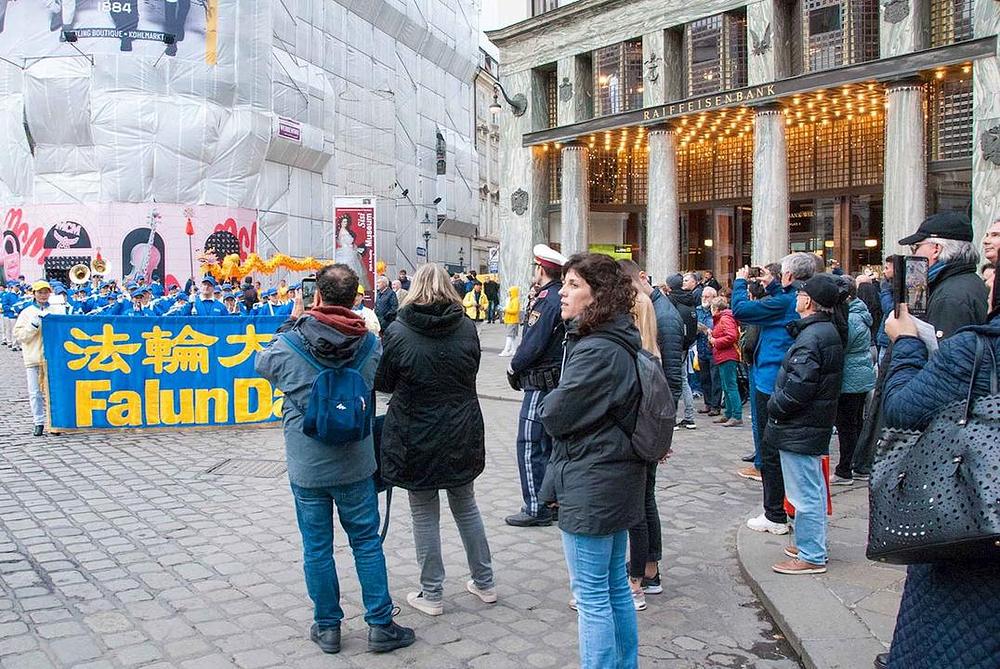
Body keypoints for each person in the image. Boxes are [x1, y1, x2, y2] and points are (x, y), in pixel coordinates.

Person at [254, 264, 415, 655]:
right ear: (356, 299)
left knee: (317, 548)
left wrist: (293, 323)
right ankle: (380, 624)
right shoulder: (370, 344)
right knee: (365, 542)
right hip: (356, 463)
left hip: (307, 465)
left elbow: (261, 365)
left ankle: (328, 627)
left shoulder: (290, 343)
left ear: (317, 297)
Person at [875, 278, 1000, 669]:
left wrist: (907, 344)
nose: (987, 279)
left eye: (994, 268)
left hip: (976, 539)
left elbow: (900, 410)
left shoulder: (977, 348)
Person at [537, 253, 643, 669]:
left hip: (594, 477)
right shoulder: (613, 337)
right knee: (614, 585)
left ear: (598, 295)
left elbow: (555, 414)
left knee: (593, 595)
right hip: (612, 473)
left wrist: (549, 401)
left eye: (574, 285)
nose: (563, 292)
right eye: (564, 283)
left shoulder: (597, 348)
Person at [375, 264, 495, 617]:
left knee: (424, 511)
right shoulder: (467, 327)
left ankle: (433, 593)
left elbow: (384, 381)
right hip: (461, 426)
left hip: (416, 431)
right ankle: (484, 581)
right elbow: (471, 370)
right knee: (466, 504)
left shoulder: (398, 331)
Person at [732, 253, 816, 535]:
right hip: (786, 376)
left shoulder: (786, 302)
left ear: (790, 276)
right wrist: (774, 285)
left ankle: (775, 513)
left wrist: (740, 283)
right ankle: (785, 511)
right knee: (788, 452)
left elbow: (741, 311)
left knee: (771, 450)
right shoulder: (802, 297)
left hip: (771, 379)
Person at [768, 274, 846, 574]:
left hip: (801, 425)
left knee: (805, 491)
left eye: (800, 294)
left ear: (808, 301)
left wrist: (775, 405)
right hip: (809, 424)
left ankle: (811, 554)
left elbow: (799, 388)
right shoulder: (822, 332)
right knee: (808, 487)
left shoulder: (814, 336)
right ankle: (809, 543)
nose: (796, 298)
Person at [505, 244, 567, 527]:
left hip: (541, 382)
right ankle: (551, 501)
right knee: (548, 444)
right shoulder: (555, 296)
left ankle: (535, 506)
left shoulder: (548, 299)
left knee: (529, 443)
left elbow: (533, 343)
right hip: (552, 381)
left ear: (541, 270)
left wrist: (513, 365)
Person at [899, 212, 987, 339]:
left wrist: (904, 336)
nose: (913, 254)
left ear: (936, 249)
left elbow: (945, 356)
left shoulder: (950, 297)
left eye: (915, 247)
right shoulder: (969, 282)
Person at [831, 276, 876, 485]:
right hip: (858, 374)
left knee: (848, 425)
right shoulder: (857, 314)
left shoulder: (853, 318)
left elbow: (843, 343)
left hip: (852, 376)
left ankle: (845, 468)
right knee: (853, 423)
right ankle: (857, 464)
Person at [14, 281, 53, 437]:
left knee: (53, 392)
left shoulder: (56, 309)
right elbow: (20, 336)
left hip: (52, 358)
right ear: (34, 294)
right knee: (35, 393)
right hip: (33, 358)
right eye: (40, 292)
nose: (43, 295)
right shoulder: (27, 312)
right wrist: (33, 325)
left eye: (45, 292)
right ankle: (38, 422)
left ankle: (54, 422)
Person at [665, 273, 698, 429]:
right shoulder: (689, 299)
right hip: (686, 345)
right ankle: (689, 417)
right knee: (684, 381)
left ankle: (673, 418)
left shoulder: (672, 300)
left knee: (672, 380)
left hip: (674, 345)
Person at [709, 296, 742, 427]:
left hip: (728, 356)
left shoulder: (725, 319)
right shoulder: (723, 319)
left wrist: (715, 341)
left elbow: (731, 336)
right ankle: (729, 413)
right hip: (723, 356)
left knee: (730, 386)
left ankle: (736, 415)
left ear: (715, 308)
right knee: (726, 386)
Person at [696, 286, 722, 416]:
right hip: (701, 348)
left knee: (715, 379)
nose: (704, 299)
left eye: (707, 297)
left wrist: (708, 329)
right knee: (704, 378)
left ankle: (715, 406)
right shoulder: (698, 310)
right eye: (703, 296)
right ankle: (707, 403)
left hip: (714, 350)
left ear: (713, 298)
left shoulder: (717, 311)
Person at [499, 286, 521, 357]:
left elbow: (514, 310)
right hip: (510, 320)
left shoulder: (515, 300)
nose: (509, 293)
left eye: (510, 292)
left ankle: (506, 350)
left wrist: (505, 309)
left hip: (512, 320)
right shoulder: (512, 300)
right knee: (513, 336)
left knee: (509, 336)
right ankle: (513, 350)